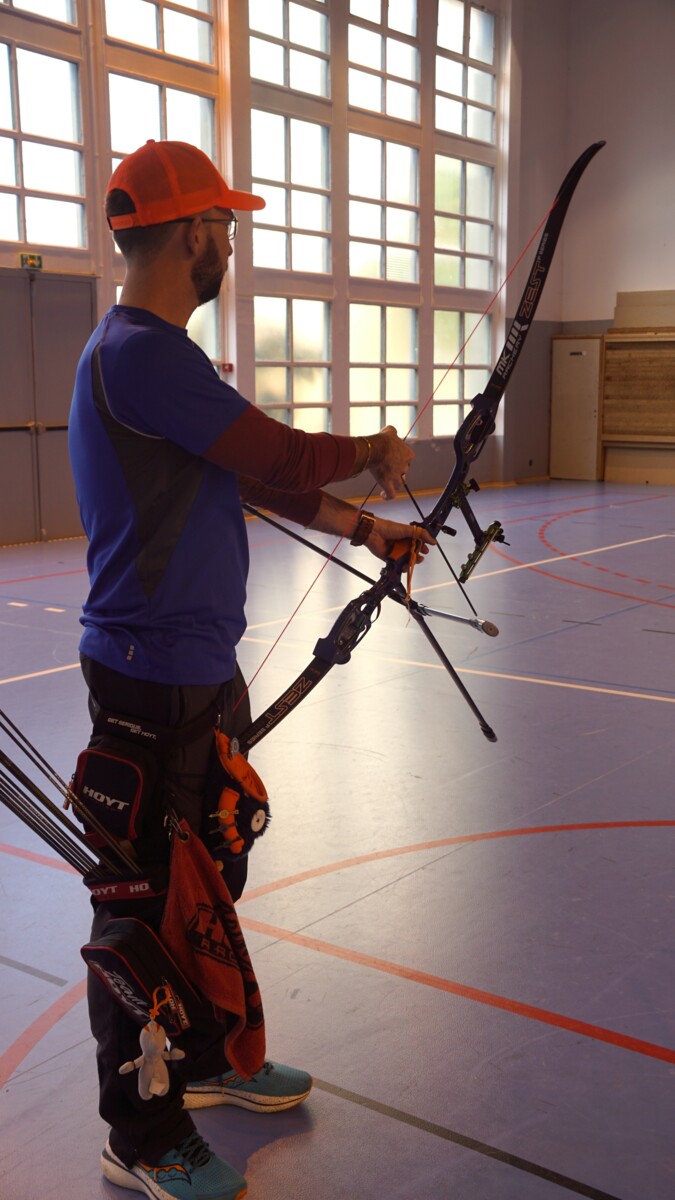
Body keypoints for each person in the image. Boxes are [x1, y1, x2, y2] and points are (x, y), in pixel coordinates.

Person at [68, 139, 433, 1200]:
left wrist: (365, 527)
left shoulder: (161, 359)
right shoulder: (140, 353)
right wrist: (366, 449)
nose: (228, 243)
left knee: (210, 877)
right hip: (147, 680)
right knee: (144, 909)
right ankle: (140, 1133)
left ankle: (207, 1055)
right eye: (223, 226)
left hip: (197, 671)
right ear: (194, 234)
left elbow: (250, 480)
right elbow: (274, 452)